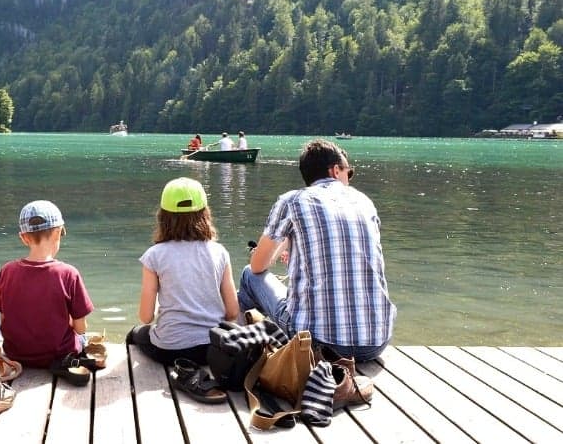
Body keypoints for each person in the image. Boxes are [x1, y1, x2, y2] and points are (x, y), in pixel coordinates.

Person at [238, 139, 395, 362]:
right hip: (375, 343)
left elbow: (258, 266)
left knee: (249, 275)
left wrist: (277, 249)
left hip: (319, 343)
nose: (348, 180)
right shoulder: (364, 201)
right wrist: (289, 244)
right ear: (335, 170)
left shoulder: (292, 202)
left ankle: (240, 348)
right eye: (348, 174)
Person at [126, 177, 239, 365]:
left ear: (163, 216)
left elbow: (146, 317)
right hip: (211, 350)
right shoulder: (220, 252)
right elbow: (232, 312)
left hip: (169, 350)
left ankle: (131, 382)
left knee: (136, 333)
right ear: (205, 214)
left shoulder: (154, 256)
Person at [0, 200, 94, 369]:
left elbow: (3, 318)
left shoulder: (7, 271)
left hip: (16, 354)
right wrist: (80, 337)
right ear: (58, 233)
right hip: (58, 354)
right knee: (82, 337)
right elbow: (80, 325)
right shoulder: (68, 273)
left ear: (23, 238)